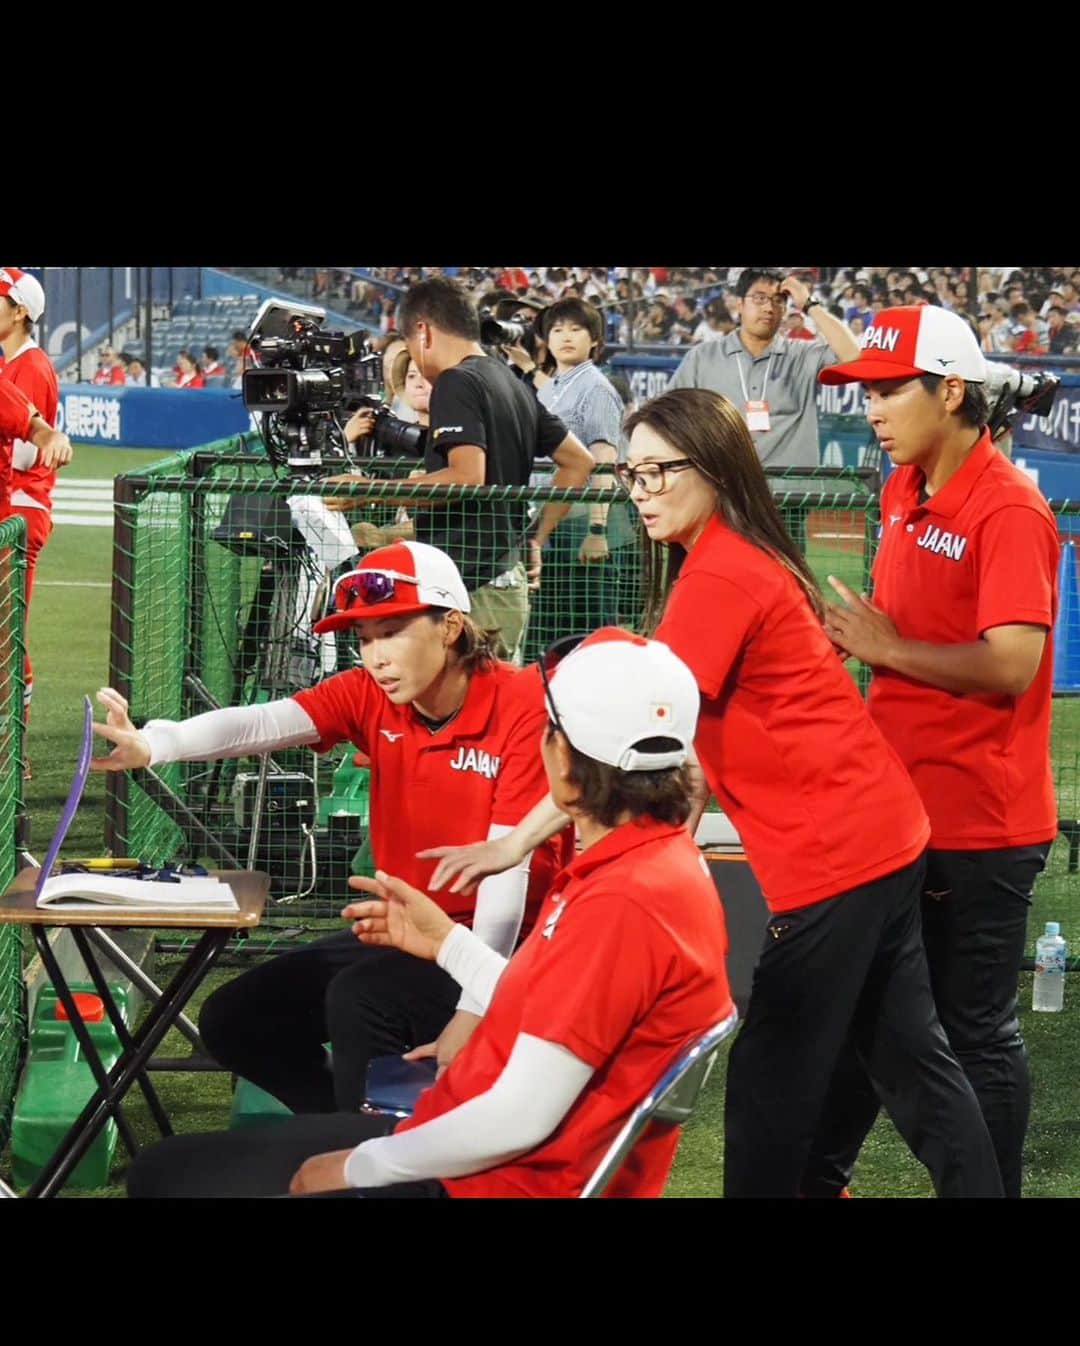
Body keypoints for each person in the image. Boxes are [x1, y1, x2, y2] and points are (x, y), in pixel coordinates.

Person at [425, 387, 1005, 1200]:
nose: (644, 490)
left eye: (663, 471)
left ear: (718, 468)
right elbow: (680, 745)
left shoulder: (723, 576)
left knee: (773, 1084)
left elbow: (629, 743)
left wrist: (515, 842)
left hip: (839, 858)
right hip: (883, 838)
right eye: (633, 474)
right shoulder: (737, 560)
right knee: (914, 1067)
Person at [124, 627, 735, 1199]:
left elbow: (518, 1119)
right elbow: (550, 1005)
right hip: (474, 1145)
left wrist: (360, 1166)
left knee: (163, 1174)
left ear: (566, 762)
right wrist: (447, 943)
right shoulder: (654, 866)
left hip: (487, 1174)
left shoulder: (622, 901)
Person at [90, 541, 574, 1113]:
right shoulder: (369, 694)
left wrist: (476, 1008)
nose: (376, 657)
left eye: (392, 631)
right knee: (233, 1019)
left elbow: (507, 875)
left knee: (360, 999)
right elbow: (266, 722)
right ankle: (353, 1138)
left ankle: (366, 1159)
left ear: (450, 627)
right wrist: (154, 742)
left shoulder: (522, 704)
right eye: (364, 639)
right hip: (404, 931)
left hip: (509, 948)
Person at [809, 305, 1060, 1199]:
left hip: (980, 823)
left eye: (888, 389)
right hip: (901, 811)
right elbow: (906, 630)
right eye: (866, 389)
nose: (871, 408)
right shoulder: (903, 485)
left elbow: (1015, 662)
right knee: (871, 1018)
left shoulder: (1009, 507)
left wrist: (887, 650)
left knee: (972, 1031)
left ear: (952, 391)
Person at [325, 278, 594, 663]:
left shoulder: (456, 381)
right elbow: (578, 461)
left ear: (423, 332)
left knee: (466, 711)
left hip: (472, 588)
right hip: (505, 579)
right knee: (496, 709)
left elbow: (467, 477)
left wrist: (368, 489)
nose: (416, 363)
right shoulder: (510, 381)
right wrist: (535, 538)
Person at [515, 297, 625, 655]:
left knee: (590, 643)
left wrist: (597, 530)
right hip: (554, 522)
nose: (565, 336)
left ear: (594, 339)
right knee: (554, 637)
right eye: (557, 329)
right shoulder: (559, 384)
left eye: (576, 329)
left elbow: (604, 458)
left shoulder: (595, 387)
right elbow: (544, 387)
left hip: (582, 528)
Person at [668, 268, 860, 468]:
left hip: (792, 495)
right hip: (725, 488)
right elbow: (667, 417)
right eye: (759, 298)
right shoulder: (703, 358)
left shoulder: (801, 356)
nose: (769, 307)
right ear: (740, 304)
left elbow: (854, 357)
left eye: (778, 300)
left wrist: (809, 304)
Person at [0, 268, 66, 740]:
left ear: (19, 310)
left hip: (22, 507)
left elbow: (26, 451)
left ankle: (12, 746)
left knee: (5, 635)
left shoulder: (31, 366)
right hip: (16, 502)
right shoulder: (15, 362)